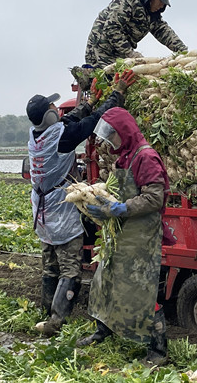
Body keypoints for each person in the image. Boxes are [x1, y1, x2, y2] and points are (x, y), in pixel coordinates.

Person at [27, 71, 136, 337]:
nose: (57, 108)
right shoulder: (61, 138)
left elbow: (73, 119)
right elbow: (93, 122)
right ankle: (55, 321)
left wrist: (88, 101)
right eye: (53, 107)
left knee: (50, 262)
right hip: (59, 208)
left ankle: (45, 310)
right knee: (70, 268)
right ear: (50, 116)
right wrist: (117, 94)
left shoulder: (37, 135)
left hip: (43, 208)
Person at [77, 107, 175, 365]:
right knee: (105, 280)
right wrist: (102, 205)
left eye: (114, 135)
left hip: (141, 235)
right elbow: (120, 191)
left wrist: (122, 208)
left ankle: (158, 350)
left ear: (125, 131)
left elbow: (154, 197)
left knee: (140, 290)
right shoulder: (125, 157)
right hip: (121, 232)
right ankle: (103, 330)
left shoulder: (146, 157)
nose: (111, 142)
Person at [85, 0, 188, 68]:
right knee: (112, 82)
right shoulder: (129, 0)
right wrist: (131, 54)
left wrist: (184, 52)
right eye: (160, 1)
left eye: (164, 4)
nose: (161, 6)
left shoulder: (152, 14)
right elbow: (112, 28)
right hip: (102, 50)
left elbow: (164, 32)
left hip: (121, 54)